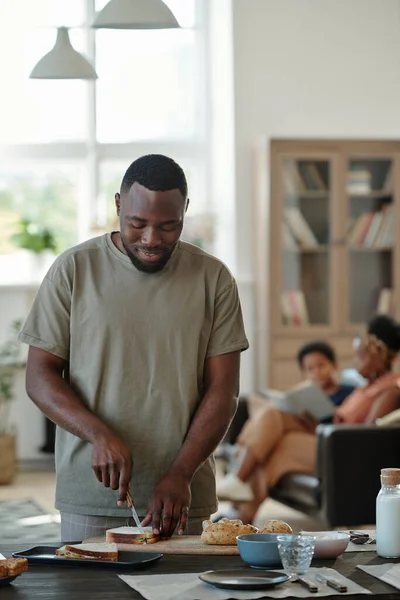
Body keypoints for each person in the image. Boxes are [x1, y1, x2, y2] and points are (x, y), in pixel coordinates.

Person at [18, 154, 249, 542]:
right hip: (93, 495)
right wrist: (99, 435)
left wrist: (181, 472)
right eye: (137, 224)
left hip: (181, 496)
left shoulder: (214, 279)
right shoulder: (74, 269)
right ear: (118, 205)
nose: (151, 239)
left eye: (168, 226)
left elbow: (224, 392)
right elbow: (39, 376)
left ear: (185, 211)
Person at [217, 315, 400, 524]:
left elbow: (367, 438)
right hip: (326, 437)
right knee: (273, 415)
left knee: (278, 445)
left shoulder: (389, 390)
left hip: (340, 451)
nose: (355, 361)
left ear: (381, 356)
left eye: (361, 356)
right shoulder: (365, 386)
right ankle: (240, 511)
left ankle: (239, 508)